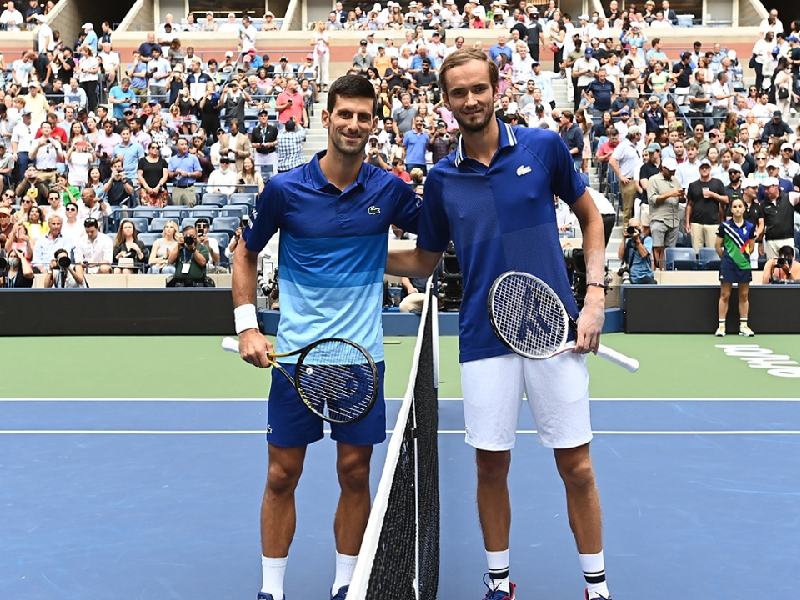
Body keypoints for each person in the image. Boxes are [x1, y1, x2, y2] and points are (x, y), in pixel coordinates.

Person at [385, 49, 612, 600]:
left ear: (496, 89)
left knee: (577, 468)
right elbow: (424, 260)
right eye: (458, 93)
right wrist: (358, 249)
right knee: (491, 467)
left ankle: (597, 587)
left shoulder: (542, 146)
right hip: (485, 339)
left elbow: (591, 216)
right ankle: (498, 582)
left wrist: (595, 296)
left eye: (478, 89)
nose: (470, 100)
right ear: (445, 102)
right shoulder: (440, 180)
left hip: (556, 332)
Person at [231, 74, 420, 600]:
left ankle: (345, 586)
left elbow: (429, 247)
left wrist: (390, 259)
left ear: (373, 125)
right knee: (280, 475)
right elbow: (244, 253)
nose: (353, 124)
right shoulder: (284, 190)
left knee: (354, 472)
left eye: (364, 117)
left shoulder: (389, 189)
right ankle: (272, 590)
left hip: (361, 361)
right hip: (295, 362)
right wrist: (248, 324)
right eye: (345, 114)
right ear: (327, 118)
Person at [714, 197, 756, 337]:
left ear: (744, 209)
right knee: (725, 295)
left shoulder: (750, 227)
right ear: (731, 209)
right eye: (735, 207)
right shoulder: (724, 227)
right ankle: (721, 326)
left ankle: (744, 326)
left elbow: (751, 247)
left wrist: (741, 258)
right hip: (728, 265)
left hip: (743, 265)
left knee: (744, 295)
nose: (737, 209)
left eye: (740, 206)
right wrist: (727, 258)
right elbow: (717, 246)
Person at [647, 156, 683, 269]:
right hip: (659, 219)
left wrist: (682, 196)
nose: (672, 173)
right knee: (657, 247)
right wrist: (671, 194)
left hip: (674, 220)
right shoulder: (653, 180)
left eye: (674, 171)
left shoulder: (676, 180)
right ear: (663, 168)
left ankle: (665, 270)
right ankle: (654, 271)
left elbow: (680, 199)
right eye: (670, 170)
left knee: (668, 250)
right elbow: (653, 199)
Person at [618, 217, 656, 284]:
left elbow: (644, 254)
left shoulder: (647, 240)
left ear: (641, 228)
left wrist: (637, 240)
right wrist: (624, 238)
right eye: (631, 227)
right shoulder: (629, 242)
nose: (633, 229)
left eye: (636, 227)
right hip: (632, 277)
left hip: (645, 275)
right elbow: (620, 256)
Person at [168, 137, 201, 207]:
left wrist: (188, 174)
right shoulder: (172, 159)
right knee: (176, 212)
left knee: (190, 211)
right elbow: (169, 175)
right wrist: (176, 173)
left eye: (186, 144)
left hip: (189, 188)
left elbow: (199, 173)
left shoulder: (193, 158)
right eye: (182, 144)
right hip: (177, 188)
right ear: (177, 146)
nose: (185, 146)